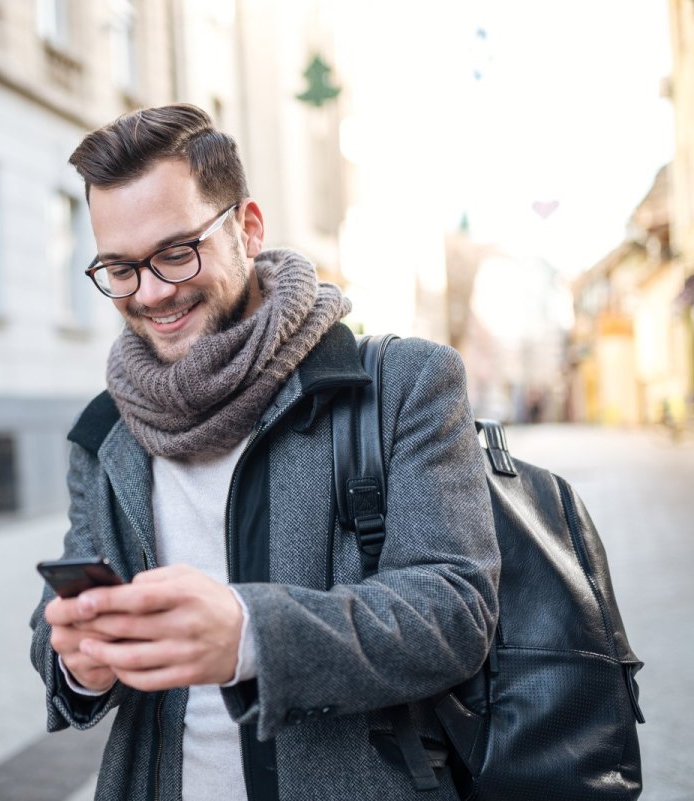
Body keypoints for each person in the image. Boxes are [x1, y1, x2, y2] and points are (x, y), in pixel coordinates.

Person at [28, 103, 500, 801]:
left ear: (247, 227)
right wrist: (77, 660)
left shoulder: (401, 385)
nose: (151, 292)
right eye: (120, 268)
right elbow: (56, 636)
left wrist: (252, 634)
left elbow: (455, 613)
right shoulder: (105, 433)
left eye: (176, 252)